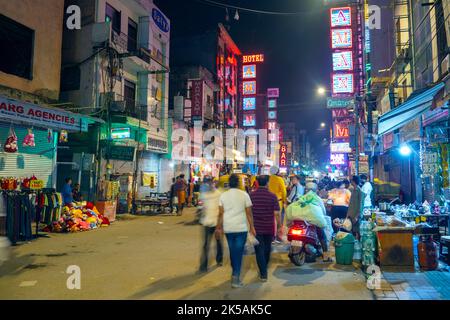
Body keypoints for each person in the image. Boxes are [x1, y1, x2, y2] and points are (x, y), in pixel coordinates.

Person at [216, 174, 256, 288]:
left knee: (234, 251)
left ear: (229, 183)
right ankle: (235, 277)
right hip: (241, 228)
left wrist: (219, 227)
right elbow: (249, 213)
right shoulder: (244, 195)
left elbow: (220, 213)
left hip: (228, 228)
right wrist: (252, 227)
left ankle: (235, 273)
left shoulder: (223, 196)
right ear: (238, 183)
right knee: (238, 252)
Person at [250, 175, 281, 281]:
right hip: (269, 227)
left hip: (256, 228)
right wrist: (280, 226)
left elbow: (248, 213)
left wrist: (250, 226)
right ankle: (264, 268)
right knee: (267, 249)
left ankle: (263, 273)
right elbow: (277, 213)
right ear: (267, 183)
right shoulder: (273, 196)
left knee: (259, 250)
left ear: (257, 183)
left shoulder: (251, 196)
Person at [303, 182, 332, 262]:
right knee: (322, 237)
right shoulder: (317, 199)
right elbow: (323, 211)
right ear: (315, 190)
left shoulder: (303, 198)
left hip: (304, 222)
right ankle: (326, 256)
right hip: (315, 222)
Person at [198, 176, 223, 273]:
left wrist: (220, 223)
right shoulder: (203, 194)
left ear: (212, 182)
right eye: (206, 182)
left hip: (217, 222)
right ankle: (203, 266)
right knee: (206, 245)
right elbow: (201, 207)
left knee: (218, 242)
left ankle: (219, 259)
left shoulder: (218, 193)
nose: (208, 184)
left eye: (209, 182)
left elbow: (221, 209)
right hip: (206, 222)